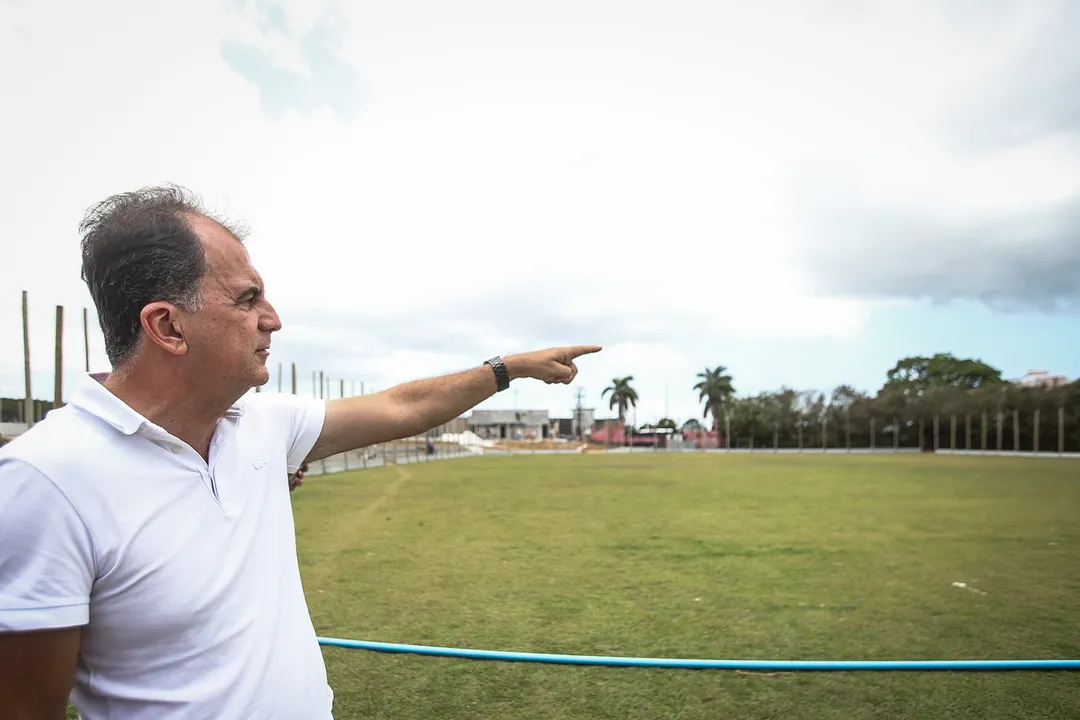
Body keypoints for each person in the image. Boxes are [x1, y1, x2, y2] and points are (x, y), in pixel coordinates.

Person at [0, 185, 601, 720]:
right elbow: (26, 708)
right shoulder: (47, 480)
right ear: (167, 326)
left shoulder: (260, 424)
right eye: (247, 299)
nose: (273, 319)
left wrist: (508, 368)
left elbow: (402, 408)